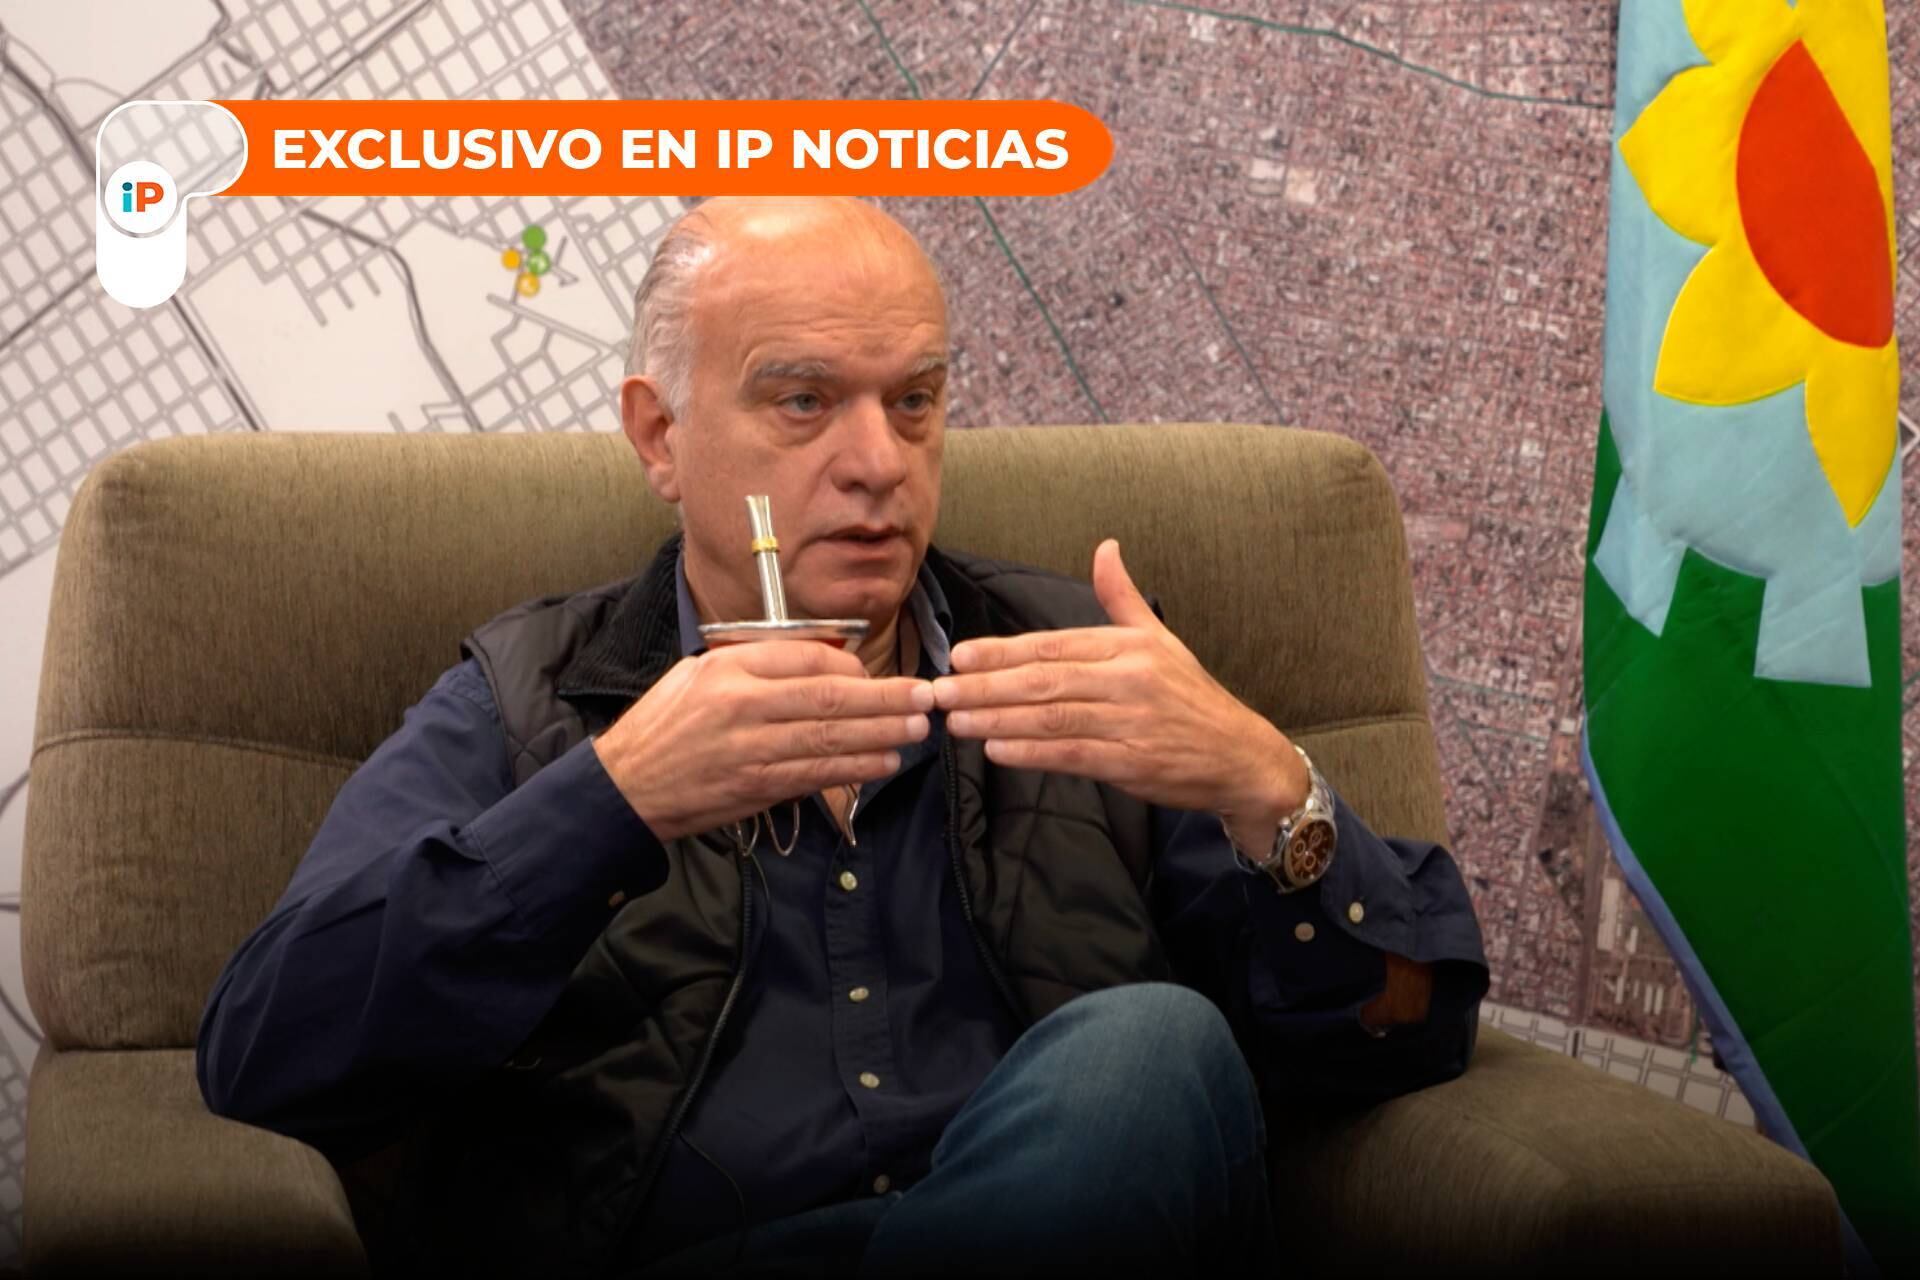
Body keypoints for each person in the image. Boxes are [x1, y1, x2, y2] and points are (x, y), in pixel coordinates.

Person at [196, 196, 1489, 1278]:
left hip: (1048, 1227)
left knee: (1148, 1054)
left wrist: (1271, 792)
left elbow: (1405, 1034)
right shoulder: (532, 699)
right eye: (804, 402)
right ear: (659, 435)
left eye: (914, 400)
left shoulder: (1075, 669)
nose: (878, 462)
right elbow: (268, 1055)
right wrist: (612, 799)